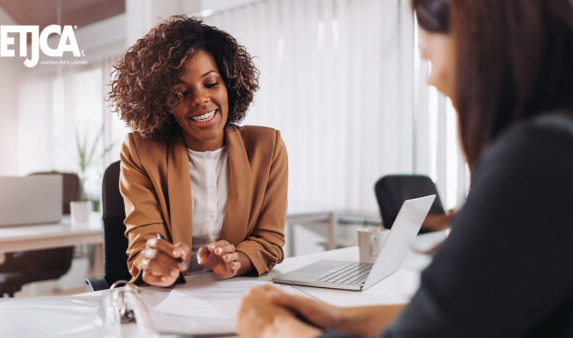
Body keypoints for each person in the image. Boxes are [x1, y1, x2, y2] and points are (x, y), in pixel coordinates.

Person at [236, 0, 573, 336]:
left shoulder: (537, 159)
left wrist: (274, 329)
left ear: (483, 44)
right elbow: (459, 317)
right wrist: (340, 320)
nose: (432, 78)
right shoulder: (554, 146)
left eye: (429, 57)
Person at [109, 16, 288, 287]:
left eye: (211, 83)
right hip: (168, 300)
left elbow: (269, 241)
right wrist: (154, 263)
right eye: (179, 93)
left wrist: (236, 261)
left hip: (235, 294)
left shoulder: (267, 147)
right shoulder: (140, 151)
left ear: (229, 83)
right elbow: (142, 246)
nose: (200, 100)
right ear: (162, 104)